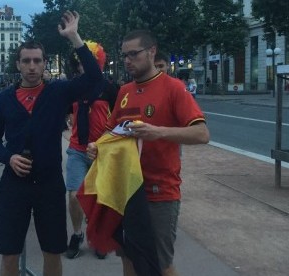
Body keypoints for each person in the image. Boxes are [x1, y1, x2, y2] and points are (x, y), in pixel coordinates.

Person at [0, 11, 103, 276]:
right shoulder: (5, 99)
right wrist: (8, 158)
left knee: (53, 251)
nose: (31, 66)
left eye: (37, 61)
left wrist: (75, 37)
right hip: (14, 184)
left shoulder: (57, 92)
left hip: (49, 184)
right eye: (26, 61)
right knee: (9, 253)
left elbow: (95, 79)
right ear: (18, 64)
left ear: (44, 64)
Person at [86, 30, 210, 276]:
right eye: (124, 56)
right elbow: (111, 133)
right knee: (128, 258)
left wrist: (159, 132)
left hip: (159, 193)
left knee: (160, 264)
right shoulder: (124, 91)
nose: (128, 60)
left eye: (134, 54)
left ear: (152, 51)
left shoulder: (173, 88)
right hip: (125, 190)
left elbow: (202, 134)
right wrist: (96, 147)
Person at [65, 41, 118, 260]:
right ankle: (77, 234)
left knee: (100, 197)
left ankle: (96, 235)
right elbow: (68, 114)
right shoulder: (73, 88)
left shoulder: (110, 89)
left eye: (90, 62)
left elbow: (119, 120)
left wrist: (105, 144)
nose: (83, 67)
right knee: (74, 195)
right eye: (80, 63)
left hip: (102, 151)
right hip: (77, 149)